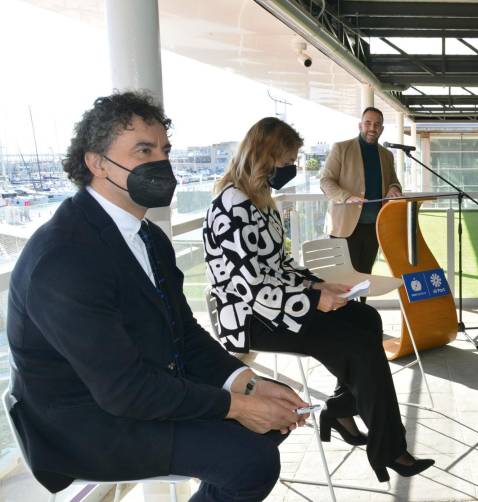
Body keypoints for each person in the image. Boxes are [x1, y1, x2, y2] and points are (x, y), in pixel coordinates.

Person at [6, 91, 310, 501]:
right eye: (143, 150)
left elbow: (183, 332)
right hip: (84, 427)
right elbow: (124, 390)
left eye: (163, 150)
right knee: (250, 460)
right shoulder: (64, 257)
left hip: (136, 395)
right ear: (96, 163)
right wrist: (237, 406)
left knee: (270, 425)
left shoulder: (148, 238)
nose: (160, 163)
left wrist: (248, 383)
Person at [203, 116, 433, 483]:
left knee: (365, 320)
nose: (292, 168)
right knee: (356, 341)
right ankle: (387, 446)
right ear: (266, 157)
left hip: (276, 305)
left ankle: (343, 408)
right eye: (288, 161)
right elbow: (250, 287)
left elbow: (278, 266)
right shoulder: (234, 206)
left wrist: (319, 286)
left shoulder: (259, 199)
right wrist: (311, 301)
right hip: (250, 318)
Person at [320, 107, 402, 294]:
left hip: (374, 227)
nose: (372, 128)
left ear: (381, 129)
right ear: (360, 125)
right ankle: (343, 319)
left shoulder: (387, 155)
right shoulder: (341, 148)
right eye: (368, 123)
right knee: (343, 282)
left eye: (377, 124)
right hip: (344, 228)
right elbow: (325, 181)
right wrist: (346, 197)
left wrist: (394, 188)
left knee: (366, 276)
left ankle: (361, 315)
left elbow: (394, 181)